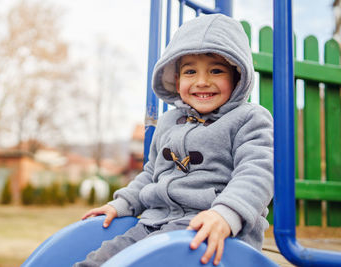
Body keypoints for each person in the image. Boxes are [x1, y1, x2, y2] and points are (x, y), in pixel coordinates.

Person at [75, 13, 273, 266]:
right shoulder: (169, 121)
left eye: (216, 70)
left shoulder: (249, 118)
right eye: (190, 71)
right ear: (177, 80)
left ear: (237, 76)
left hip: (211, 229)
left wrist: (226, 214)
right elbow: (150, 174)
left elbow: (257, 172)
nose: (202, 81)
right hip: (153, 223)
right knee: (104, 257)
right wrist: (122, 203)